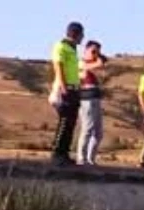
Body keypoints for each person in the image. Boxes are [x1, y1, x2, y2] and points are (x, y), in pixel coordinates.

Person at [49, 21, 85, 166]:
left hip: (74, 88)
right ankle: (57, 153)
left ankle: (64, 153)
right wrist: (64, 87)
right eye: (82, 34)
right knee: (64, 121)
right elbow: (58, 66)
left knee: (71, 122)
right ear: (76, 34)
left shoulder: (73, 49)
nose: (83, 37)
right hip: (66, 88)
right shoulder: (61, 46)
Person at [74, 40, 108, 166]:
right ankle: (81, 158)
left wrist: (98, 55)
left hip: (95, 98)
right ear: (86, 50)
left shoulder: (92, 64)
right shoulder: (81, 63)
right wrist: (98, 59)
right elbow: (99, 64)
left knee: (98, 132)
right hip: (86, 99)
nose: (95, 55)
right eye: (93, 52)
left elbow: (102, 61)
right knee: (87, 128)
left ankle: (90, 158)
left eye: (97, 52)